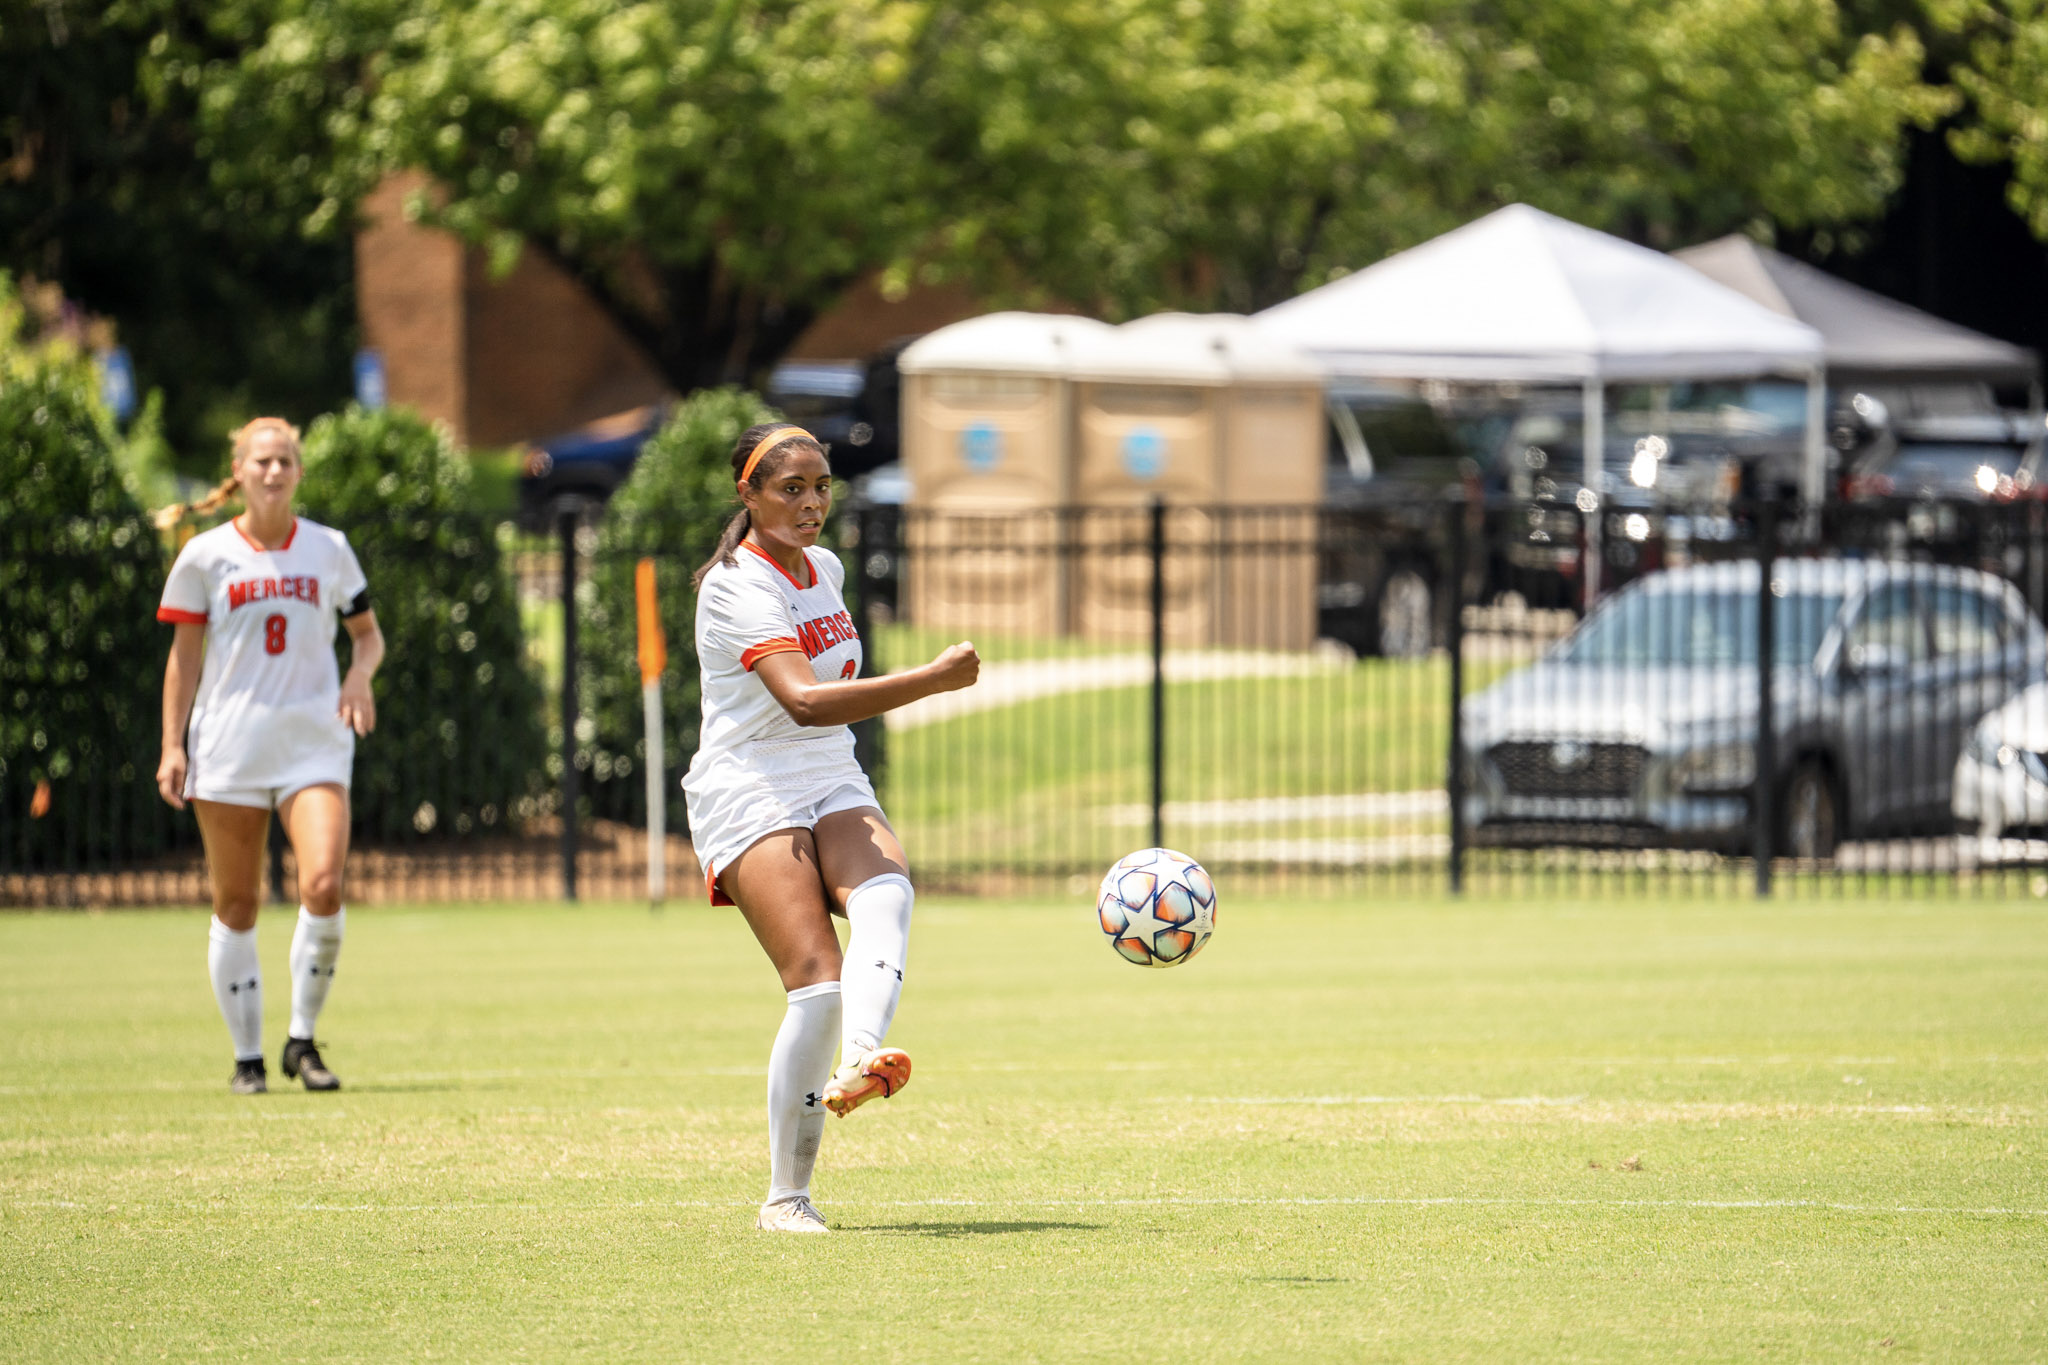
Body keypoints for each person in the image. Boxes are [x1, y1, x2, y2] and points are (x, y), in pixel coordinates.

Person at [685, 423, 978, 1234]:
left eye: (821, 486)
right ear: (747, 494)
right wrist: (933, 680)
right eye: (791, 489)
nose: (812, 503)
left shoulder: (827, 569)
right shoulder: (733, 588)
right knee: (816, 986)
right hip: (747, 784)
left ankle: (862, 1060)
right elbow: (804, 699)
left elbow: (824, 719)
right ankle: (786, 1198)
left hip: (827, 771)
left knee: (888, 891)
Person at [154, 418, 385, 1095]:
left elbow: (367, 637)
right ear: (239, 469)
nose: (275, 471)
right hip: (228, 745)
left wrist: (358, 674)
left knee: (323, 883)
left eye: (286, 460)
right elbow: (183, 658)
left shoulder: (329, 549)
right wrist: (172, 745)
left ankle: (302, 1041)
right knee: (237, 902)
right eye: (263, 461)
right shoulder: (203, 555)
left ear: (299, 471)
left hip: (313, 741)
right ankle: (247, 1057)